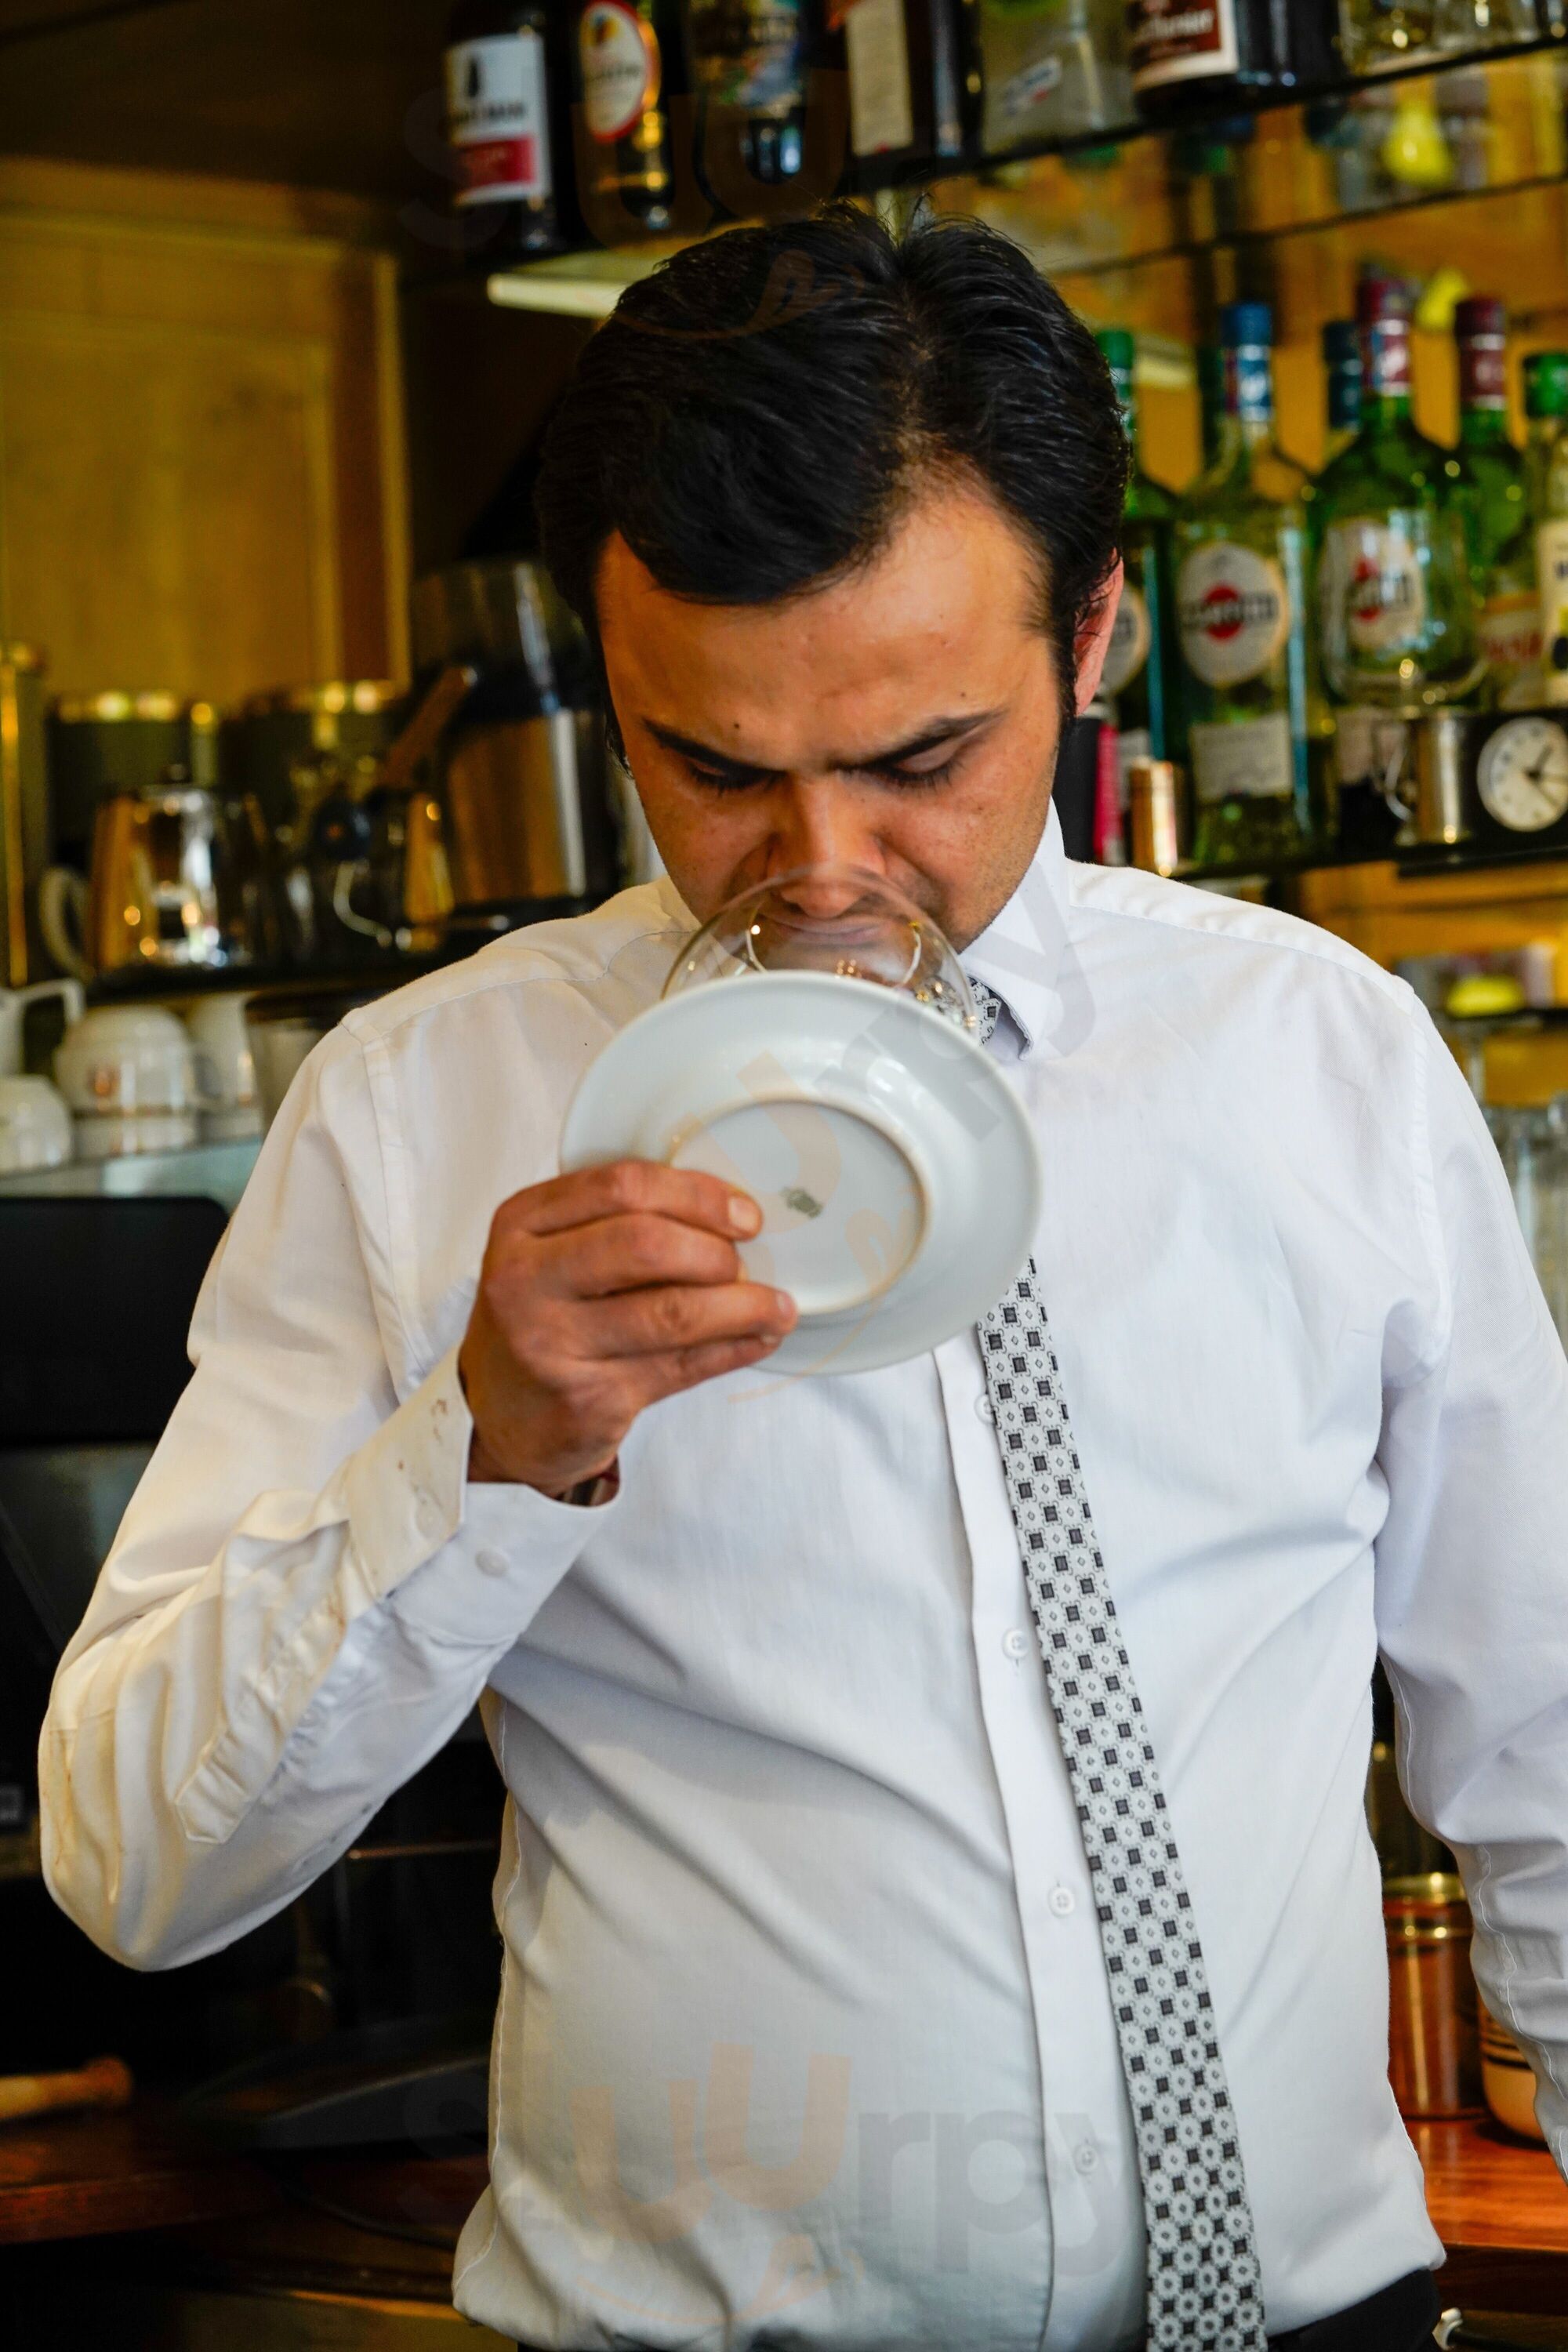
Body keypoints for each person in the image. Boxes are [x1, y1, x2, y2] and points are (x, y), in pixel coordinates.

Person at [38, 205, 1568, 2352]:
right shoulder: (417, 1109)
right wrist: (479, 1457)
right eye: (717, 771)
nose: (828, 870)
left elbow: (1543, 1725)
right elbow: (137, 1865)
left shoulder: (1324, 1054)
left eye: (922, 762)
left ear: (1095, 632)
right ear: (613, 682)